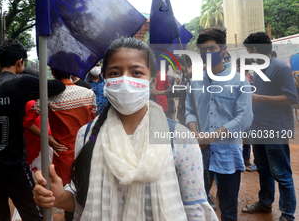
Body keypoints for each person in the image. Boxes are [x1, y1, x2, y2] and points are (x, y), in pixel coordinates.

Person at [33, 37, 218, 221]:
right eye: (115, 73)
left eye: (136, 72)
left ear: (152, 82)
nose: (125, 80)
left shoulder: (180, 140)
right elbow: (83, 200)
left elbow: (195, 211)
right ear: (105, 79)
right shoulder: (86, 135)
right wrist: (59, 197)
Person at [0, 39, 66, 221]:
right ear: (20, 62)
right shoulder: (20, 82)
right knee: (33, 214)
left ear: (0, 64)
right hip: (12, 164)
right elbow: (58, 87)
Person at [186, 27, 253, 221]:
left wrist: (211, 137)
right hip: (199, 153)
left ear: (223, 50)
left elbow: (244, 118)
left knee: (228, 208)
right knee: (197, 204)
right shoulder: (194, 82)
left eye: (212, 48)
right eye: (203, 50)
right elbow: (189, 111)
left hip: (228, 154)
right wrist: (196, 135)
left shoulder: (240, 81)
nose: (207, 54)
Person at [241, 32, 298, 221]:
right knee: (263, 170)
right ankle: (265, 204)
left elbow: (292, 98)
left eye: (248, 51)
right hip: (258, 129)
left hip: (275, 129)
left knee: (281, 173)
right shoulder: (258, 70)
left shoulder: (280, 67)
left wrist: (259, 98)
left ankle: (288, 215)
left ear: (255, 50)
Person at [29, 67, 97, 221]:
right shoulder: (88, 93)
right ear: (71, 73)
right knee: (88, 189)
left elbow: (27, 122)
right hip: (87, 151)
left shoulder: (47, 97)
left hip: (63, 154)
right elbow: (93, 119)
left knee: (66, 193)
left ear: (53, 73)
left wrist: (50, 140)